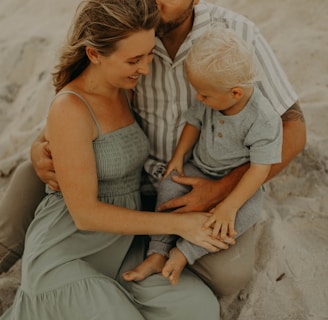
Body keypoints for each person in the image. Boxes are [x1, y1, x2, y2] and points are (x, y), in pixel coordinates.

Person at [0, 0, 306, 297]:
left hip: (199, 181)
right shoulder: (128, 28)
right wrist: (37, 150)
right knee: (29, 176)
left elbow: (293, 128)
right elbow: (73, 106)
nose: (155, 3)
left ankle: (127, 274)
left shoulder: (236, 34)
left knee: (227, 277)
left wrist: (222, 189)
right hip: (126, 171)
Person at [0, 1, 222, 319]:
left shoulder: (127, 87)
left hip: (121, 248)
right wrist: (181, 224)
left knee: (198, 308)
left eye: (149, 54)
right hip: (66, 252)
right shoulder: (71, 108)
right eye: (134, 59)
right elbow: (86, 215)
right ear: (94, 54)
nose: (146, 68)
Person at [123, 27, 283, 285]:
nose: (198, 98)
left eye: (204, 95)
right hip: (199, 167)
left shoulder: (263, 119)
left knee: (246, 214)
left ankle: (184, 252)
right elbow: (193, 123)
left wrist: (228, 206)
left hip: (239, 184)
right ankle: (158, 250)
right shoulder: (211, 95)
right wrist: (177, 158)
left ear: (235, 93)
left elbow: (259, 170)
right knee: (169, 186)